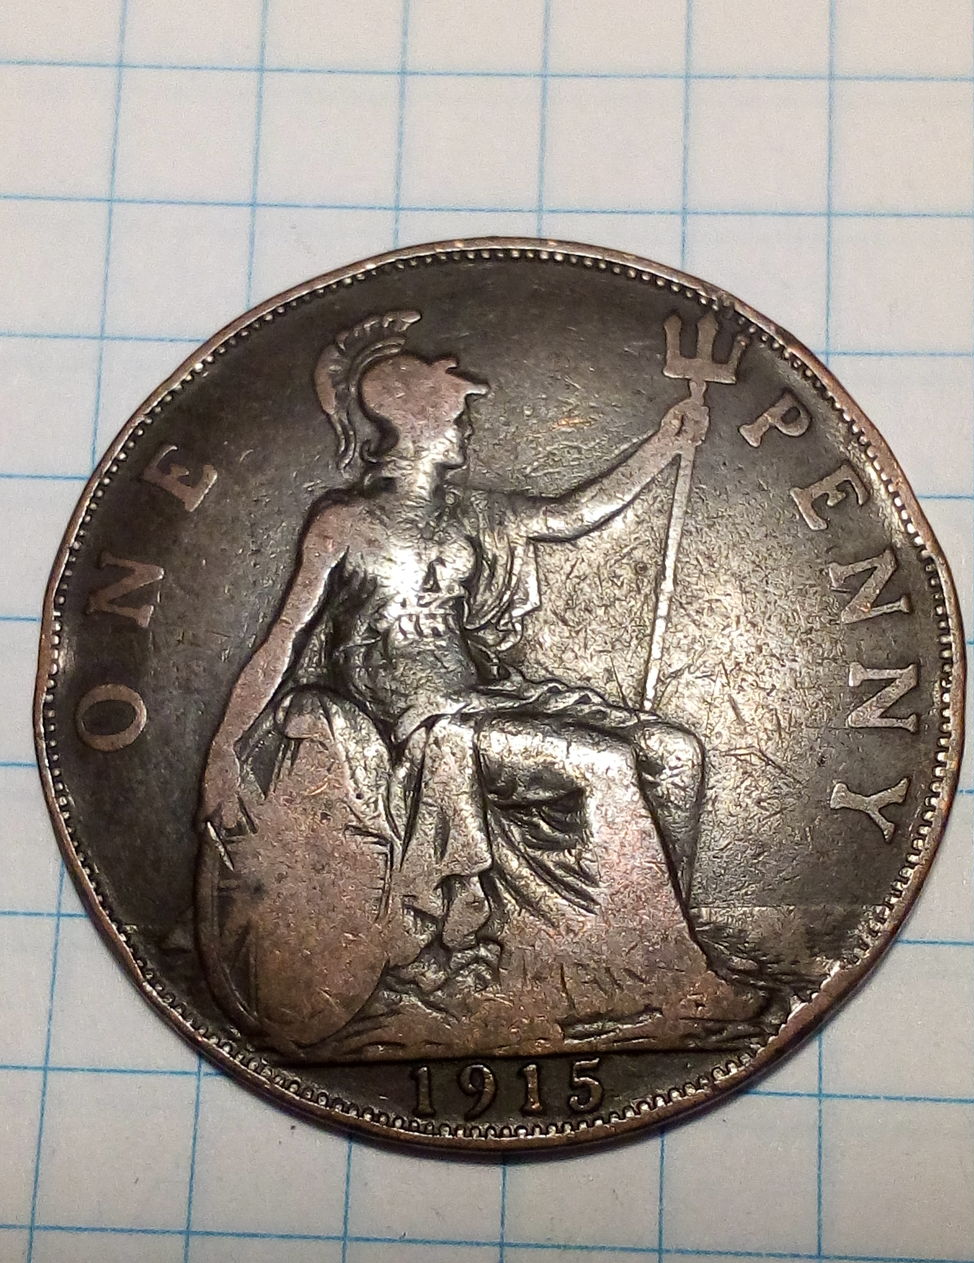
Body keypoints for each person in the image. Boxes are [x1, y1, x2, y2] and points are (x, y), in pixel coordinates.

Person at [196, 310, 762, 1061]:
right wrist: (223, 750)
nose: (466, 429)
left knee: (675, 752)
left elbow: (572, 514)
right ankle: (659, 978)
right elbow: (282, 640)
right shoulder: (343, 524)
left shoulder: (476, 513)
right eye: (457, 416)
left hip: (484, 700)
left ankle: (647, 941)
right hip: (418, 727)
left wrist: (662, 446)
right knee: (606, 765)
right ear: (419, 426)